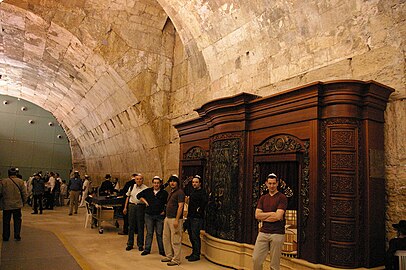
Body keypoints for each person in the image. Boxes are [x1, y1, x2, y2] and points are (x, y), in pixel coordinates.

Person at [252, 173, 287, 270]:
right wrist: (272, 214)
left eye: (274, 183)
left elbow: (278, 216)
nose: (272, 186)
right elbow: (257, 215)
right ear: (266, 184)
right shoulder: (263, 198)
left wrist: (265, 215)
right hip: (263, 232)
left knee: (274, 264)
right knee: (256, 259)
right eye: (270, 183)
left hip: (277, 234)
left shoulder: (282, 197)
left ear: (277, 184)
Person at [137, 176, 168, 256]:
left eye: (158, 183)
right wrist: (145, 202)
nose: (156, 184)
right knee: (149, 233)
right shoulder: (148, 191)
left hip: (159, 216)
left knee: (159, 233)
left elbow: (167, 203)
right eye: (155, 183)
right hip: (149, 215)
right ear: (152, 183)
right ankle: (147, 249)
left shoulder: (164, 193)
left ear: (160, 183)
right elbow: (138, 196)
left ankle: (162, 250)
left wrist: (164, 211)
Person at [161, 175, 185, 266]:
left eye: (174, 181)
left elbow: (181, 206)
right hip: (168, 218)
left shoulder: (180, 192)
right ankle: (169, 255)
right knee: (166, 238)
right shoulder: (171, 192)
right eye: (170, 181)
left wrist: (177, 219)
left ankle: (176, 259)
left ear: (177, 183)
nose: (172, 183)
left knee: (175, 239)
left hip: (175, 219)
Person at [0, 168, 28, 241]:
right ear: (16, 174)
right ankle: (17, 235)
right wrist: (24, 202)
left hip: (7, 204)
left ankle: (6, 236)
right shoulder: (20, 181)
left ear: (8, 174)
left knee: (6, 221)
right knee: (17, 220)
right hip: (17, 204)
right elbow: (24, 193)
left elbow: (1, 192)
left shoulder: (4, 181)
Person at [185, 175, 208, 262]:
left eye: (196, 182)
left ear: (200, 183)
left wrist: (199, 210)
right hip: (190, 216)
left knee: (195, 236)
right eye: (193, 182)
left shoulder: (202, 192)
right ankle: (193, 252)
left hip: (197, 218)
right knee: (191, 235)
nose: (194, 184)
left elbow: (204, 203)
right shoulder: (192, 191)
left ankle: (196, 254)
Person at [123, 173, 148, 251]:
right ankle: (130, 243)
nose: (139, 180)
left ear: (142, 180)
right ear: (135, 180)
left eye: (140, 179)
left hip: (141, 207)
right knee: (131, 225)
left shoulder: (146, 188)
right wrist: (125, 207)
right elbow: (128, 197)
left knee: (140, 226)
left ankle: (140, 244)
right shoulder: (131, 187)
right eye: (137, 179)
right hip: (132, 206)